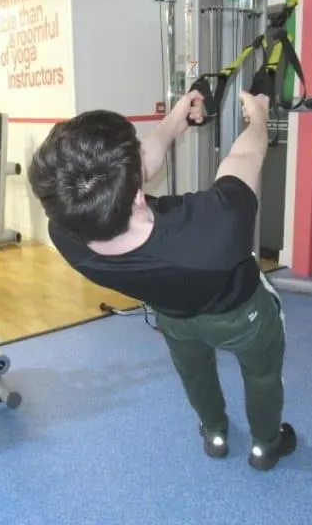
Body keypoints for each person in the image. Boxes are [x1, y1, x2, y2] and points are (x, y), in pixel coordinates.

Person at [27, 90, 297, 471]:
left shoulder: (66, 230)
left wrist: (175, 120)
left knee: (195, 375)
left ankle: (216, 435)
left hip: (173, 320)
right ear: (137, 194)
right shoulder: (215, 228)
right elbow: (244, 158)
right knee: (263, 375)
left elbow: (133, 172)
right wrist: (258, 120)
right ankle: (265, 446)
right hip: (242, 315)